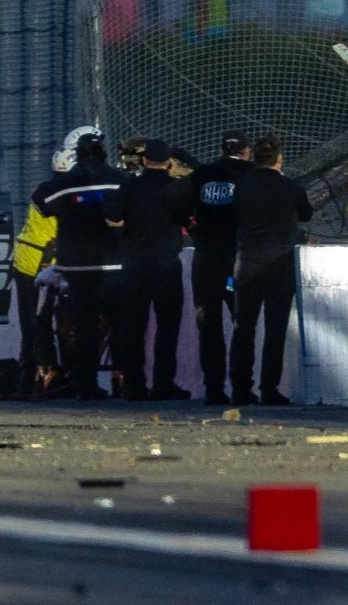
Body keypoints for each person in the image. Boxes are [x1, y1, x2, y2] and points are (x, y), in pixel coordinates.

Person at [40, 133, 128, 400]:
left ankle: (86, 385)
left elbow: (40, 201)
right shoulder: (119, 180)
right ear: (103, 152)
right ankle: (124, 381)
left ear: (77, 154)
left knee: (85, 328)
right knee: (121, 326)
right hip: (113, 265)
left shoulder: (63, 184)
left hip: (76, 267)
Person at [229, 135, 313, 406]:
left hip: (247, 262)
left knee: (244, 327)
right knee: (275, 328)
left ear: (255, 158)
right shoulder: (290, 186)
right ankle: (269, 387)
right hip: (280, 264)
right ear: (279, 159)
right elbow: (306, 213)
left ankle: (241, 388)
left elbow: (233, 215)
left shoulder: (242, 187)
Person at [117, 138, 191, 401]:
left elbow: (113, 217)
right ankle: (163, 382)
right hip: (166, 265)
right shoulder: (176, 188)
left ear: (144, 160)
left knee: (133, 327)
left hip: (134, 264)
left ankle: (134, 384)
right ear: (169, 162)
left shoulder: (128, 186)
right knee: (167, 326)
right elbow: (188, 218)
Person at [181, 131, 252, 406]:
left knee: (209, 325)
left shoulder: (202, 174)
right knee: (241, 324)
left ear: (222, 150)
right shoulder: (252, 174)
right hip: (237, 260)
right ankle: (242, 388)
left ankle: (213, 388)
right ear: (246, 151)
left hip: (206, 259)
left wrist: (193, 228)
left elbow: (171, 202)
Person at [11, 145, 71, 388]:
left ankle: (34, 374)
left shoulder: (48, 188)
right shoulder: (59, 192)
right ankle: (40, 375)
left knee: (35, 323)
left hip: (31, 261)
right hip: (39, 263)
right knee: (39, 323)